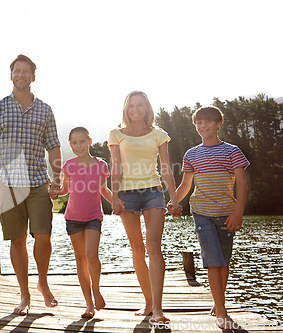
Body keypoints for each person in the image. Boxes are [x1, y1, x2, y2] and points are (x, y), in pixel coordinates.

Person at [0, 54, 61, 316]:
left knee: (43, 235)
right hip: (8, 184)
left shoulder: (45, 110)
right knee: (17, 239)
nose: (21, 75)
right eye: (16, 71)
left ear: (34, 76)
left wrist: (57, 178)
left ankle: (42, 281)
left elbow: (54, 146)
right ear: (11, 75)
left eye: (26, 72)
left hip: (37, 181)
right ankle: (25, 294)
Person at [168, 106, 249, 330]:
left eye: (207, 122)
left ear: (218, 124)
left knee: (223, 262)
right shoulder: (191, 154)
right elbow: (186, 185)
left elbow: (241, 183)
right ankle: (222, 312)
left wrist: (238, 211)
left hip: (227, 213)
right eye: (198, 123)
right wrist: (174, 201)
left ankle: (218, 302)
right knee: (213, 261)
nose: (202, 127)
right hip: (201, 212)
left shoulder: (232, 151)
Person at [107, 91, 181, 325]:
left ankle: (158, 308)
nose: (135, 109)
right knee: (137, 248)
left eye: (140, 105)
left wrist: (175, 198)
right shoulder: (116, 134)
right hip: (127, 195)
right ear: (126, 109)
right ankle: (148, 302)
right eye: (131, 106)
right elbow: (116, 166)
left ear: (147, 108)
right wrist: (115, 197)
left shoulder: (159, 135)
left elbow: (166, 167)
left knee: (153, 247)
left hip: (153, 192)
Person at [52, 126, 112, 319]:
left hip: (94, 216)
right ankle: (88, 304)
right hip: (73, 219)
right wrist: (55, 192)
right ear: (71, 145)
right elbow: (65, 190)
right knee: (81, 259)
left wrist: (116, 203)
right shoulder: (69, 165)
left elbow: (104, 190)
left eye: (82, 142)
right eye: (75, 143)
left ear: (89, 141)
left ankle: (96, 289)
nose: (79, 146)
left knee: (92, 255)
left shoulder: (101, 165)